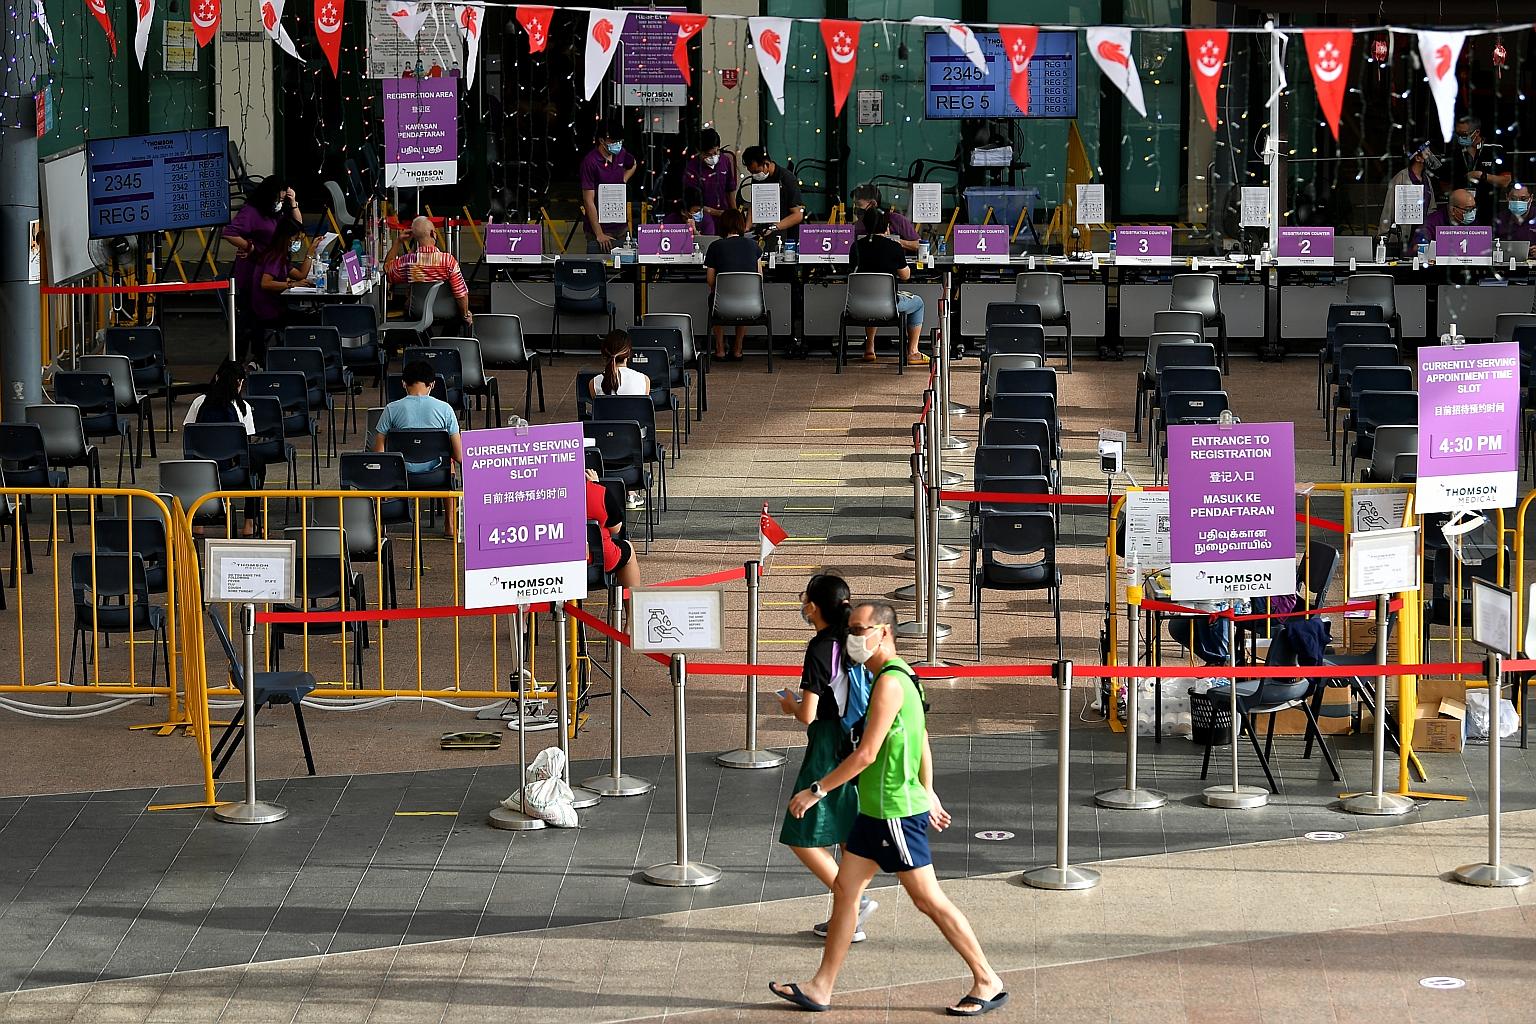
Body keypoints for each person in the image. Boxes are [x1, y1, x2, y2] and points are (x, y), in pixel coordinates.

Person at [770, 600, 1007, 1018]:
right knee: (845, 891)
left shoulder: (891, 682)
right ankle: (820, 987)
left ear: (885, 633)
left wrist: (816, 791)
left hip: (893, 814)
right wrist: (928, 790)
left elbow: (866, 754)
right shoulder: (896, 676)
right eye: (851, 631)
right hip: (875, 811)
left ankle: (987, 978)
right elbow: (921, 739)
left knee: (928, 900)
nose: (853, 638)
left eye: (861, 630)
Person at [776, 574, 878, 943]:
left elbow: (809, 713)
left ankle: (853, 901)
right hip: (861, 737)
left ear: (813, 607)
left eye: (805, 599)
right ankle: (849, 912)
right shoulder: (855, 639)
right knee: (849, 826)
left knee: (801, 831)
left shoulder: (820, 647)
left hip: (828, 742)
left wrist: (790, 705)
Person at [224, 178, 302, 364]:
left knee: (260, 320)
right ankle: (245, 361)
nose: (280, 203)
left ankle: (258, 358)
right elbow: (229, 232)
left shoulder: (276, 214)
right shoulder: (252, 212)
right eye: (279, 199)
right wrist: (249, 247)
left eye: (282, 200)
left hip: (271, 268)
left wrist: (292, 202)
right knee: (251, 321)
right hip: (251, 273)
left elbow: (296, 226)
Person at [184, 360, 263, 535]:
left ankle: (198, 523)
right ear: (240, 383)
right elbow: (245, 444)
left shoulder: (199, 402)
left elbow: (188, 436)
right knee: (257, 464)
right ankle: (250, 523)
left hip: (202, 472)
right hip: (233, 473)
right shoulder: (243, 408)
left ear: (217, 377)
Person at [849, 207, 926, 365]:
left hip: (859, 305)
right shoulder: (894, 247)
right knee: (918, 303)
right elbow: (905, 276)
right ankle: (912, 352)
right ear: (887, 226)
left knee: (872, 298)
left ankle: (869, 349)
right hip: (889, 307)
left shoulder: (855, 247)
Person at [372, 359, 462, 474]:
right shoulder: (446, 409)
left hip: (402, 476)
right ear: (432, 384)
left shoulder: (391, 409)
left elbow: (379, 453)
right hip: (437, 477)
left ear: (403, 383)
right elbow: (459, 455)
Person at [385, 216, 472, 331]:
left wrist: (398, 241)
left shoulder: (408, 262)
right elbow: (461, 295)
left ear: (415, 237)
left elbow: (388, 271)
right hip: (448, 315)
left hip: (417, 315)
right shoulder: (448, 261)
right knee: (461, 317)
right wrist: (465, 315)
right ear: (433, 233)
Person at [249, 217, 314, 364]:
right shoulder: (275, 257)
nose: (297, 241)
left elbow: (301, 274)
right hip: (268, 311)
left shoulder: (280, 256)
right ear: (286, 237)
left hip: (273, 307)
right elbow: (265, 283)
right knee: (312, 319)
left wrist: (311, 251)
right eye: (296, 238)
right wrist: (291, 284)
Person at [703, 209, 763, 360]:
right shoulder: (753, 246)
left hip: (722, 305)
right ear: (741, 225)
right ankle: (738, 348)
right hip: (751, 306)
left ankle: (720, 349)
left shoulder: (715, 246)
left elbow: (710, 280)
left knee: (713, 299)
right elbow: (759, 277)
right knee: (745, 295)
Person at [580, 122, 640, 253]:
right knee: (600, 266)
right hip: (599, 229)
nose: (617, 144)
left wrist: (623, 180)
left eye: (619, 141)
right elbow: (588, 201)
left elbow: (633, 164)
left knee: (625, 267)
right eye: (613, 141)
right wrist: (599, 233)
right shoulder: (590, 162)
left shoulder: (621, 154)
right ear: (602, 140)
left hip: (621, 226)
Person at [1444, 115, 1511, 227]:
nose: (1460, 137)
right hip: (1460, 213)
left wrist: (1481, 175)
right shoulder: (1453, 151)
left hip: (1488, 211)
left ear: (1477, 132)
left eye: (1464, 134)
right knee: (1460, 243)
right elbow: (1444, 184)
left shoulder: (1495, 148)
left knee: (1485, 243)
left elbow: (1505, 181)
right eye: (1458, 134)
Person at [585, 468, 640, 593]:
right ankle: (632, 611)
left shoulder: (540, 494)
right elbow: (616, 529)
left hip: (553, 564)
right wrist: (595, 484)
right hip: (597, 562)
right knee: (628, 549)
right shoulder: (598, 491)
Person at [741, 146, 805, 242]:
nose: (754, 175)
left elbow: (798, 215)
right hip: (764, 232)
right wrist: (747, 227)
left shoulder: (787, 178)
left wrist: (774, 227)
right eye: (752, 173)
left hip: (787, 234)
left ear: (766, 164)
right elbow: (754, 203)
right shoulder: (757, 178)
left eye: (756, 171)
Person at [682, 127, 737, 235]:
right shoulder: (691, 169)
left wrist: (734, 214)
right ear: (699, 152)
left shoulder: (725, 161)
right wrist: (716, 212)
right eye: (708, 155)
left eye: (716, 152)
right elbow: (693, 204)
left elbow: (730, 190)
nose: (713, 157)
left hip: (725, 218)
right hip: (704, 220)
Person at [1377, 143, 1440, 237]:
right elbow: (1388, 210)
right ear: (1418, 158)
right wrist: (1382, 235)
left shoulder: (1426, 179)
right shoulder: (1400, 178)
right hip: (1404, 235)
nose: (1430, 156)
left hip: (1422, 235)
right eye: (1426, 153)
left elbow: (1431, 208)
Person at [851, 184, 920, 254]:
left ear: (873, 204)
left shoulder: (897, 220)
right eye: (854, 206)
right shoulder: (857, 226)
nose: (855, 210)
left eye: (859, 205)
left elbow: (919, 245)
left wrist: (894, 241)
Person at [588, 329, 650, 399]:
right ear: (629, 353)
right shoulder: (644, 380)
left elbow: (598, 408)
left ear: (604, 354)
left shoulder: (593, 383)